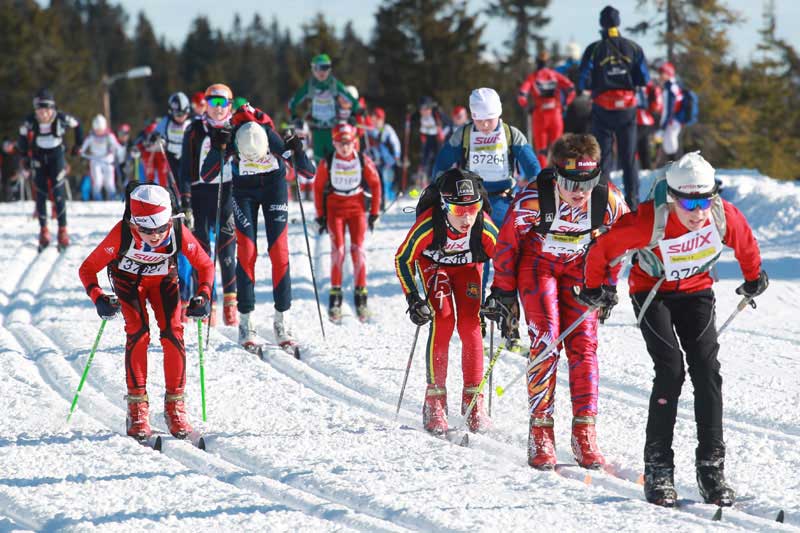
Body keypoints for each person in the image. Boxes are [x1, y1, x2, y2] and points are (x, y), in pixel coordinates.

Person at [579, 152, 767, 507]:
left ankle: (711, 468)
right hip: (652, 292)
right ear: (673, 198)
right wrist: (594, 287)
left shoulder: (721, 215)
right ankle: (658, 468)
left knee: (707, 371)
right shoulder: (649, 221)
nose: (697, 212)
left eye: (704, 200)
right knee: (670, 370)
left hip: (696, 291)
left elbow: (745, 243)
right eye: (688, 202)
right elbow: (602, 248)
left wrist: (754, 277)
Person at [483, 133, 629, 470]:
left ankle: (584, 432)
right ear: (555, 175)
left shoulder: (608, 200)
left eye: (588, 182)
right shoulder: (534, 198)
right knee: (547, 340)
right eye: (569, 182)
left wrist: (608, 284)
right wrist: (503, 291)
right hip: (539, 266)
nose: (579, 193)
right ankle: (541, 430)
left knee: (584, 345)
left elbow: (620, 241)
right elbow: (507, 246)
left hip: (581, 268)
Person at [78, 183, 214, 442]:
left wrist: (204, 296)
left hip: (163, 281)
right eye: (147, 230)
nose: (155, 236)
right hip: (128, 283)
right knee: (139, 334)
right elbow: (87, 269)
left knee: (174, 333)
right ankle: (136, 408)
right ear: (133, 224)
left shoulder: (176, 231)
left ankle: (175, 407)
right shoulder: (121, 234)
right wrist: (98, 298)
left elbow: (205, 265)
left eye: (161, 229)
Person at [433, 87, 541, 351]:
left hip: (503, 201)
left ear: (498, 115)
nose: (483, 124)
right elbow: (441, 164)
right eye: (478, 118)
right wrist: (438, 190)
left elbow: (533, 168)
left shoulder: (510, 134)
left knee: (507, 262)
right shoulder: (464, 134)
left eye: (488, 119)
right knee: (477, 262)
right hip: (472, 204)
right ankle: (476, 322)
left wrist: (540, 195)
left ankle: (509, 326)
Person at [395, 168, 498, 434]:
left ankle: (474, 402)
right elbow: (403, 258)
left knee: (470, 324)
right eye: (458, 209)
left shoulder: (483, 226)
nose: (467, 218)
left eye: (473, 208)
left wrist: (501, 295)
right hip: (434, 266)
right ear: (444, 205)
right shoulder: (430, 224)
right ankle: (435, 403)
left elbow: (506, 260)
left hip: (467, 268)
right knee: (442, 320)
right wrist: (413, 298)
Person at [230, 110, 314, 350]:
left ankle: (283, 320)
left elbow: (309, 173)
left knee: (279, 253)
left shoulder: (272, 137)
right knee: (246, 253)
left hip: (273, 188)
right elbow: (207, 173)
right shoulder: (234, 136)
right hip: (244, 191)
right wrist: (217, 147)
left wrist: (297, 149)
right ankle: (246, 321)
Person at [577, 5, 649, 211]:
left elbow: (582, 80)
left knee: (603, 158)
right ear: (619, 22)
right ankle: (633, 205)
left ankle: (601, 206)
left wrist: (590, 87)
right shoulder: (633, 47)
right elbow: (644, 78)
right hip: (627, 108)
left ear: (601, 24)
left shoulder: (594, 49)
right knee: (629, 157)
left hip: (603, 108)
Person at [179, 83, 238, 326]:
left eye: (221, 103)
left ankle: (231, 304)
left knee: (226, 250)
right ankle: (206, 302)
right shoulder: (194, 129)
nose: (215, 108)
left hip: (227, 193)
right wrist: (185, 201)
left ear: (229, 105)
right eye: (211, 102)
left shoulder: (237, 128)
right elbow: (184, 168)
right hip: (201, 192)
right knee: (201, 253)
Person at [314, 123, 381, 323]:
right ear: (334, 143)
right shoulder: (327, 162)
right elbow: (318, 188)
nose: (345, 147)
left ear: (355, 142)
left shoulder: (362, 160)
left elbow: (376, 184)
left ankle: (361, 296)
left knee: (358, 250)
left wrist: (374, 212)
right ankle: (335, 296)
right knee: (339, 251)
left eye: (349, 143)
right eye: (341, 143)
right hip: (335, 209)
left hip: (357, 208)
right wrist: (320, 215)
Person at [17, 88, 83, 251]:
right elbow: (22, 136)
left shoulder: (61, 118)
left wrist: (77, 145)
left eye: (45, 110)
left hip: (56, 156)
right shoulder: (31, 120)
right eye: (39, 110)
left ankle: (62, 230)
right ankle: (43, 230)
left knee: (58, 192)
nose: (42, 114)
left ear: (51, 108)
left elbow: (77, 125)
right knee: (40, 193)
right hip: (39, 156)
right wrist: (24, 156)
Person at [288, 54, 360, 162]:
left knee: (335, 160)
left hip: (333, 129)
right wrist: (294, 117)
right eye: (318, 68)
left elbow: (353, 101)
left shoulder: (334, 84)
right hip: (317, 129)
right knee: (319, 161)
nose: (322, 72)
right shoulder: (310, 85)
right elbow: (292, 103)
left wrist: (353, 115)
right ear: (313, 69)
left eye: (325, 68)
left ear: (329, 68)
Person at [518, 51, 576, 168]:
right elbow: (571, 88)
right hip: (556, 114)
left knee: (542, 150)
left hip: (539, 115)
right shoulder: (555, 75)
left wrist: (527, 107)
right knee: (558, 147)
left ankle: (544, 176)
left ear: (537, 62)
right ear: (548, 62)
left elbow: (522, 95)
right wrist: (565, 104)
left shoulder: (533, 77)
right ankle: (560, 174)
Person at [153, 92, 192, 196]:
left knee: (186, 179)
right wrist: (157, 138)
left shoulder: (190, 122)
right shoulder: (166, 121)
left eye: (183, 114)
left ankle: (188, 200)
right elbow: (156, 133)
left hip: (187, 155)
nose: (180, 117)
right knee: (173, 179)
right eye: (177, 114)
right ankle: (175, 202)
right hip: (171, 155)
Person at [366, 107, 402, 210]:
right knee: (373, 180)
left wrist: (396, 156)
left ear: (381, 119)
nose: (374, 122)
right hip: (376, 160)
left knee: (382, 181)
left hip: (387, 161)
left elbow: (395, 143)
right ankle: (372, 202)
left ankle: (382, 202)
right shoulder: (371, 130)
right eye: (373, 119)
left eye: (377, 119)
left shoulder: (386, 130)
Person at [79, 114, 121, 200]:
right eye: (97, 130)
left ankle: (112, 196)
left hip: (107, 158)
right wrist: (81, 150)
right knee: (97, 180)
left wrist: (115, 149)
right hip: (95, 159)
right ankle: (97, 196)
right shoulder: (91, 136)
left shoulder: (109, 135)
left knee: (109, 181)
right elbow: (84, 146)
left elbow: (116, 145)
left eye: (100, 130)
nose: (99, 132)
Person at [411, 96, 447, 189]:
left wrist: (443, 133)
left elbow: (448, 124)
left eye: (427, 109)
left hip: (437, 138)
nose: (424, 111)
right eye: (422, 109)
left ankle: (439, 179)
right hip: (427, 137)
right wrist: (408, 120)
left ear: (431, 108)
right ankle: (423, 180)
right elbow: (412, 119)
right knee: (425, 158)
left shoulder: (436, 114)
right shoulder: (419, 116)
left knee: (437, 157)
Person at [657, 61, 683, 163]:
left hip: (672, 122)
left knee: (670, 146)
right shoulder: (674, 86)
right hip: (675, 121)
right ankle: (674, 169)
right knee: (670, 145)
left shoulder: (669, 88)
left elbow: (668, 110)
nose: (659, 76)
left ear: (668, 73)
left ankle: (675, 169)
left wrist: (662, 127)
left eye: (661, 73)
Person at [636, 78, 663, 171]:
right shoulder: (651, 84)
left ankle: (639, 171)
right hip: (649, 120)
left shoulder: (637, 84)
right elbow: (657, 105)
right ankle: (646, 171)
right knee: (644, 149)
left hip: (638, 119)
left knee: (633, 147)